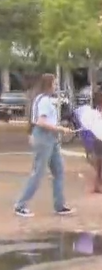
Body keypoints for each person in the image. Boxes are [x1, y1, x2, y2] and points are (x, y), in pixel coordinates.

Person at [14, 73, 75, 218]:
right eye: (54, 84)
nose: (55, 87)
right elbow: (41, 122)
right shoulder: (44, 101)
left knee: (58, 170)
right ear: (48, 85)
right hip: (44, 137)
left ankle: (59, 205)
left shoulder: (43, 99)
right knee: (38, 172)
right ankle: (20, 205)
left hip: (50, 138)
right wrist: (61, 129)